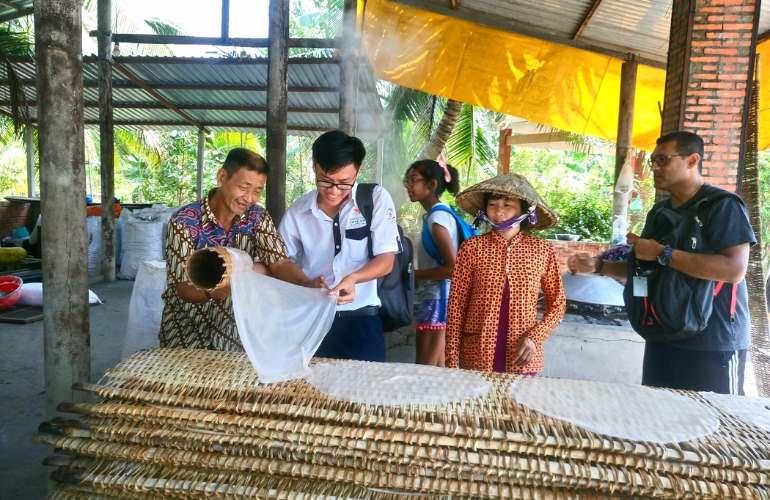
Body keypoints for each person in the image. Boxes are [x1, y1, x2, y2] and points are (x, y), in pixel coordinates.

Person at [568, 131, 756, 395]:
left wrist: (663, 253)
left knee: (715, 425)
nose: (655, 167)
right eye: (653, 161)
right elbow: (645, 268)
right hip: (663, 332)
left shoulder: (723, 206)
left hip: (713, 342)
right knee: (659, 420)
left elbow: (734, 270)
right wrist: (599, 267)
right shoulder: (660, 212)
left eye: (663, 160)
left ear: (692, 160)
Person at [159, 148, 309, 351]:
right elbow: (184, 289)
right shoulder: (184, 222)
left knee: (232, 381)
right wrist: (234, 282)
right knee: (181, 383)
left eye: (257, 190)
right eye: (244, 187)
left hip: (234, 333)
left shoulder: (257, 217)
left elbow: (279, 262)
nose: (249, 198)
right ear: (222, 177)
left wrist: (307, 284)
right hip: (186, 331)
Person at [279, 130, 400, 362]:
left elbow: (386, 261)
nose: (334, 190)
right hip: (314, 319)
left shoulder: (374, 199)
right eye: (326, 180)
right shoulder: (298, 213)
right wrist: (306, 282)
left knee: (365, 392)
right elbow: (281, 260)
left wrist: (354, 279)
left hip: (362, 319)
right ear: (315, 167)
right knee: (312, 393)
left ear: (358, 171)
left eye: (344, 183)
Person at [445, 174, 566, 374]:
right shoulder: (471, 248)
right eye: (492, 204)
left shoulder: (542, 250)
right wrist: (451, 361)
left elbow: (558, 303)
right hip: (477, 354)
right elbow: (456, 306)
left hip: (523, 356)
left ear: (525, 211)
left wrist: (535, 337)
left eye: (507, 205)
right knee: (480, 405)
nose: (499, 211)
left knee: (517, 406)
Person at [403, 159, 462, 366]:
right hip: (435, 296)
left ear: (432, 184)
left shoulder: (437, 219)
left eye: (413, 179)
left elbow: (453, 268)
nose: (408, 185)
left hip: (438, 298)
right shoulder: (438, 215)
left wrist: (413, 275)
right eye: (407, 180)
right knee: (436, 366)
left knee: (426, 366)